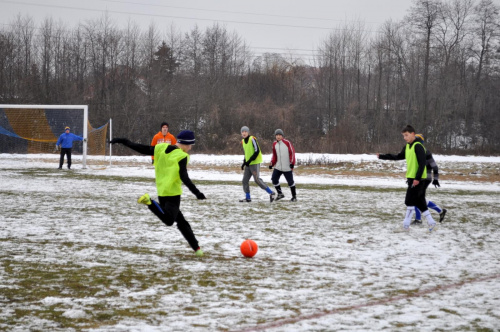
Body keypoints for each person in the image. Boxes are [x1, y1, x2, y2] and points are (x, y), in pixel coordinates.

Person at [110, 130, 205, 257]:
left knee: (181, 222)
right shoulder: (182, 156)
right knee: (169, 221)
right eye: (190, 145)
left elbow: (142, 149)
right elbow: (184, 178)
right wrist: (197, 193)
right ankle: (149, 202)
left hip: (162, 191)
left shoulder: (162, 147)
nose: (191, 148)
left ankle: (197, 249)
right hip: (173, 194)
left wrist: (125, 141)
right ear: (186, 144)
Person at [377, 125, 437, 231]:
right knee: (420, 201)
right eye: (403, 136)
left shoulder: (418, 146)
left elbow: (422, 163)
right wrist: (383, 156)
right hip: (411, 178)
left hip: (419, 179)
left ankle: (406, 225)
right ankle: (431, 222)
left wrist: (417, 178)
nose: (405, 138)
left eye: (406, 135)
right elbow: (398, 156)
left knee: (409, 201)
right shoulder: (407, 146)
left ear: (413, 134)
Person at [412, 134, 447, 225]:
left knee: (416, 198)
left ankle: (418, 219)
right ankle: (440, 211)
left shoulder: (425, 152)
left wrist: (436, 179)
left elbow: (435, 167)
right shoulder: (414, 151)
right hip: (418, 178)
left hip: (425, 179)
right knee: (419, 199)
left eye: (415, 140)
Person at [239, 126, 276, 202]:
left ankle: (271, 193)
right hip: (248, 164)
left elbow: (257, 151)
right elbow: (246, 153)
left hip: (255, 163)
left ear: (248, 132)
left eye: (245, 131)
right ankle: (248, 197)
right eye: (243, 132)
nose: (244, 133)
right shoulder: (243, 141)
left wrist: (249, 161)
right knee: (244, 180)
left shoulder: (252, 139)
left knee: (257, 180)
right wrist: (244, 162)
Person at [269, 129, 297, 201]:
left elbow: (292, 153)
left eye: (279, 135)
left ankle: (294, 197)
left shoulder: (287, 143)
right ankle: (280, 194)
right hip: (278, 167)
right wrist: (272, 163)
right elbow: (274, 155)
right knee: (274, 179)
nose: (278, 137)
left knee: (290, 182)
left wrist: (292, 163)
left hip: (287, 167)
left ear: (282, 136)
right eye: (277, 135)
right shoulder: (274, 144)